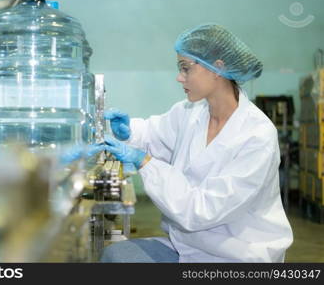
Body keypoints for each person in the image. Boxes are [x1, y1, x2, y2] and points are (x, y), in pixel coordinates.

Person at [100, 24, 293, 263]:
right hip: (188, 247)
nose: (179, 77)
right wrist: (128, 132)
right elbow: (154, 133)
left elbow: (201, 210)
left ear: (217, 68)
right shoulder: (190, 112)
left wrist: (145, 163)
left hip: (238, 255)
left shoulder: (256, 136)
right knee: (115, 255)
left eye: (185, 68)